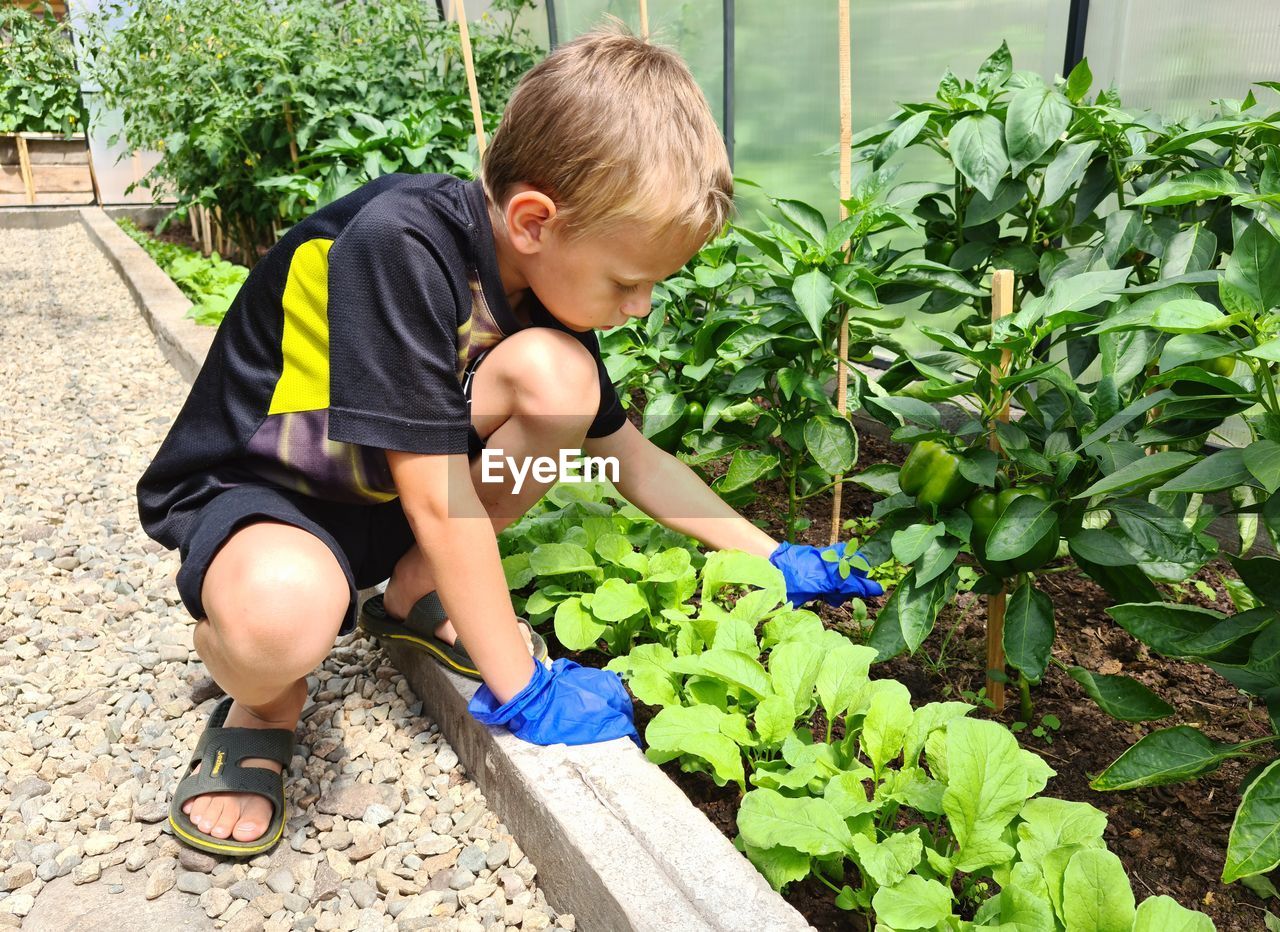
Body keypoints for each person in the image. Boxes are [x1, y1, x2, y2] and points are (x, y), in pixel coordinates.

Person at [137, 23, 882, 858]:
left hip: (383, 502)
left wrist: (774, 557)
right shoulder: (398, 244)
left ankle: (416, 587)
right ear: (534, 220)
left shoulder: (543, 288)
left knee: (561, 381)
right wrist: (520, 686)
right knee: (283, 616)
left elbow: (630, 456)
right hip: (264, 495)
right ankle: (259, 698)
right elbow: (433, 494)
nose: (639, 308)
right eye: (628, 281)